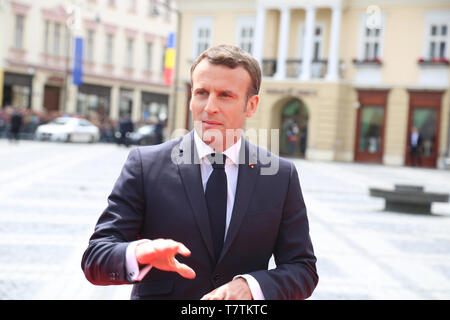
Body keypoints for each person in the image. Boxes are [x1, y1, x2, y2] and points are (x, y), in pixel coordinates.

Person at [81, 44, 318, 300]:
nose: (209, 106)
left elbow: (302, 269)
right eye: (202, 92)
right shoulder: (145, 165)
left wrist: (251, 286)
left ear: (251, 106)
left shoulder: (280, 176)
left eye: (225, 95)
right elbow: (96, 257)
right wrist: (140, 252)